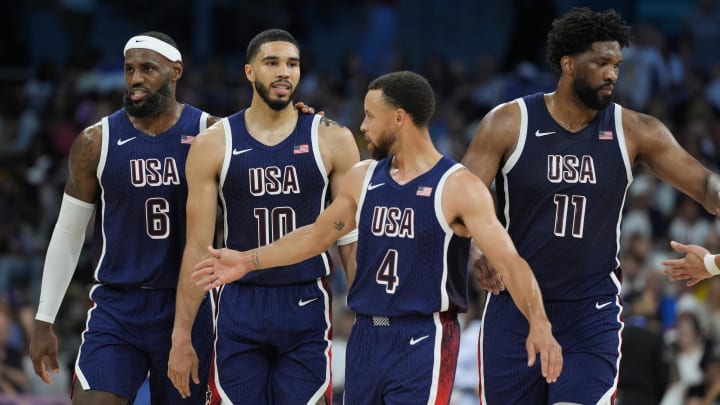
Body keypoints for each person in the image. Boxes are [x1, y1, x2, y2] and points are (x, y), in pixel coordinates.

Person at [190, 70, 563, 404]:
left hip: (423, 337)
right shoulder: (362, 177)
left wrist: (539, 323)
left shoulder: (458, 187)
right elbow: (315, 236)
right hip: (366, 335)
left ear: (399, 118)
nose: (363, 125)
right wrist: (245, 260)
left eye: (370, 116)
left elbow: (511, 261)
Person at [460, 7, 720, 404]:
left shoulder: (635, 130)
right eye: (601, 62)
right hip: (514, 308)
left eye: (616, 63)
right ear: (568, 64)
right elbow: (464, 199)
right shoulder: (508, 123)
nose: (612, 73)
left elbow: (705, 183)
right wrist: (479, 248)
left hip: (590, 312)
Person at [167, 28, 360, 404]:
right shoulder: (214, 142)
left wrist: (369, 317)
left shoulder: (332, 138)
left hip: (305, 299)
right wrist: (182, 334)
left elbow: (350, 237)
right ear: (250, 72)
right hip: (240, 300)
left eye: (292, 63)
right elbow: (197, 248)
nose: (284, 72)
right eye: (272, 63)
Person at [27, 31, 220, 405]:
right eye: (129, 69)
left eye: (148, 68)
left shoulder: (211, 133)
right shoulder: (94, 141)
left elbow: (266, 144)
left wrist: (301, 122)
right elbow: (68, 234)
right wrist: (43, 318)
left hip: (188, 307)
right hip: (117, 306)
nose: (135, 79)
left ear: (175, 70)